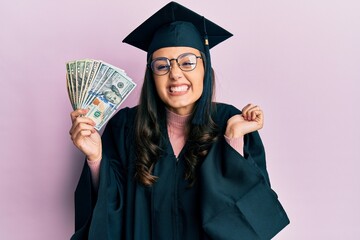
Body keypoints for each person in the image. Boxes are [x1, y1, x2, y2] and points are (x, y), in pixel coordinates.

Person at [69, 2, 289, 239]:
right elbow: (108, 212)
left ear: (205, 67)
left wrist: (232, 141)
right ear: (151, 75)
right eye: (162, 65)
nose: (175, 74)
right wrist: (95, 159)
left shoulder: (230, 122)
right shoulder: (125, 126)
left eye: (187, 62)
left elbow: (250, 219)